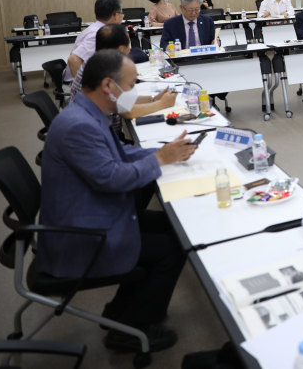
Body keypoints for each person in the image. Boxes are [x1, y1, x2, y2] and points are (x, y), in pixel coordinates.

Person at [38, 49, 197, 353]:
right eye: (132, 83)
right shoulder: (79, 125)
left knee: (174, 226)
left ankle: (120, 313)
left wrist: (163, 152)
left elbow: (120, 155)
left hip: (93, 212)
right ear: (108, 86)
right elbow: (112, 178)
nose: (135, 92)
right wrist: (161, 159)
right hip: (82, 234)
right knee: (175, 247)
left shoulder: (89, 111)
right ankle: (129, 331)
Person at [69, 24, 177, 137]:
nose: (130, 49)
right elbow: (128, 111)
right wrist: (163, 103)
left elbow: (123, 99)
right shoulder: (104, 72)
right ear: (120, 49)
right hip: (99, 139)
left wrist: (153, 99)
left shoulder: (97, 62)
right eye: (129, 44)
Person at [64, 0, 124, 82]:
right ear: (115, 15)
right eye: (122, 14)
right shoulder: (96, 34)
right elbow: (73, 59)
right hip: (75, 88)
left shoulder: (95, 29)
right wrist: (87, 88)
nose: (122, 17)